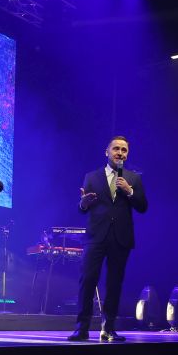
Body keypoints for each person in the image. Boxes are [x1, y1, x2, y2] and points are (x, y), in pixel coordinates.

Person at [68, 135, 148, 342]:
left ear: (127, 154)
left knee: (114, 283)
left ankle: (108, 329)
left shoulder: (133, 178)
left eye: (124, 150)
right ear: (107, 152)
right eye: (116, 149)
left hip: (121, 237)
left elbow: (143, 206)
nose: (120, 153)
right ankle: (81, 328)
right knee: (87, 280)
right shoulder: (92, 177)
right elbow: (82, 208)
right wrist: (83, 203)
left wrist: (129, 191)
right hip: (96, 236)